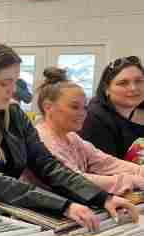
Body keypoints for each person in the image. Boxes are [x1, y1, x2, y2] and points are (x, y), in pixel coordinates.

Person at [0, 41, 138, 233]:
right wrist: (64, 206)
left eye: (15, 81)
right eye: (4, 83)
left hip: (4, 216)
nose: (12, 90)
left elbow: (47, 165)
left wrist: (103, 198)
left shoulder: (12, 114)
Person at [30, 67, 144, 195]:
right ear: (48, 107)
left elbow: (106, 162)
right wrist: (132, 181)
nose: (83, 113)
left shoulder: (72, 137)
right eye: (74, 107)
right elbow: (75, 181)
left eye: (84, 107)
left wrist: (140, 171)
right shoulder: (41, 140)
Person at [80, 56, 144, 159]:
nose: (133, 88)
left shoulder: (135, 112)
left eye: (139, 81)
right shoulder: (94, 118)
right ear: (106, 89)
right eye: (123, 83)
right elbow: (104, 168)